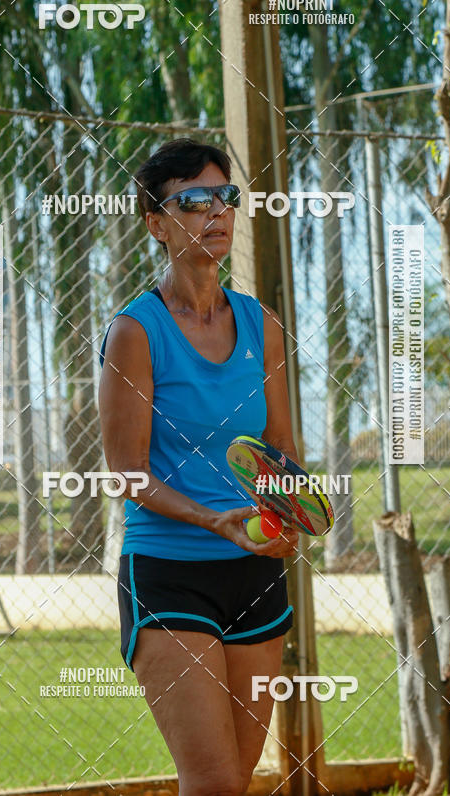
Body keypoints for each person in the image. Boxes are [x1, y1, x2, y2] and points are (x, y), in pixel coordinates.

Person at [98, 137, 301, 796]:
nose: (216, 212)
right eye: (192, 201)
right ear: (156, 224)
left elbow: (279, 447)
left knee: (234, 782)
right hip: (168, 576)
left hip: (255, 570)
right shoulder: (135, 331)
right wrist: (212, 520)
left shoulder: (262, 324)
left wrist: (288, 512)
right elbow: (126, 472)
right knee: (211, 782)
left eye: (225, 196)